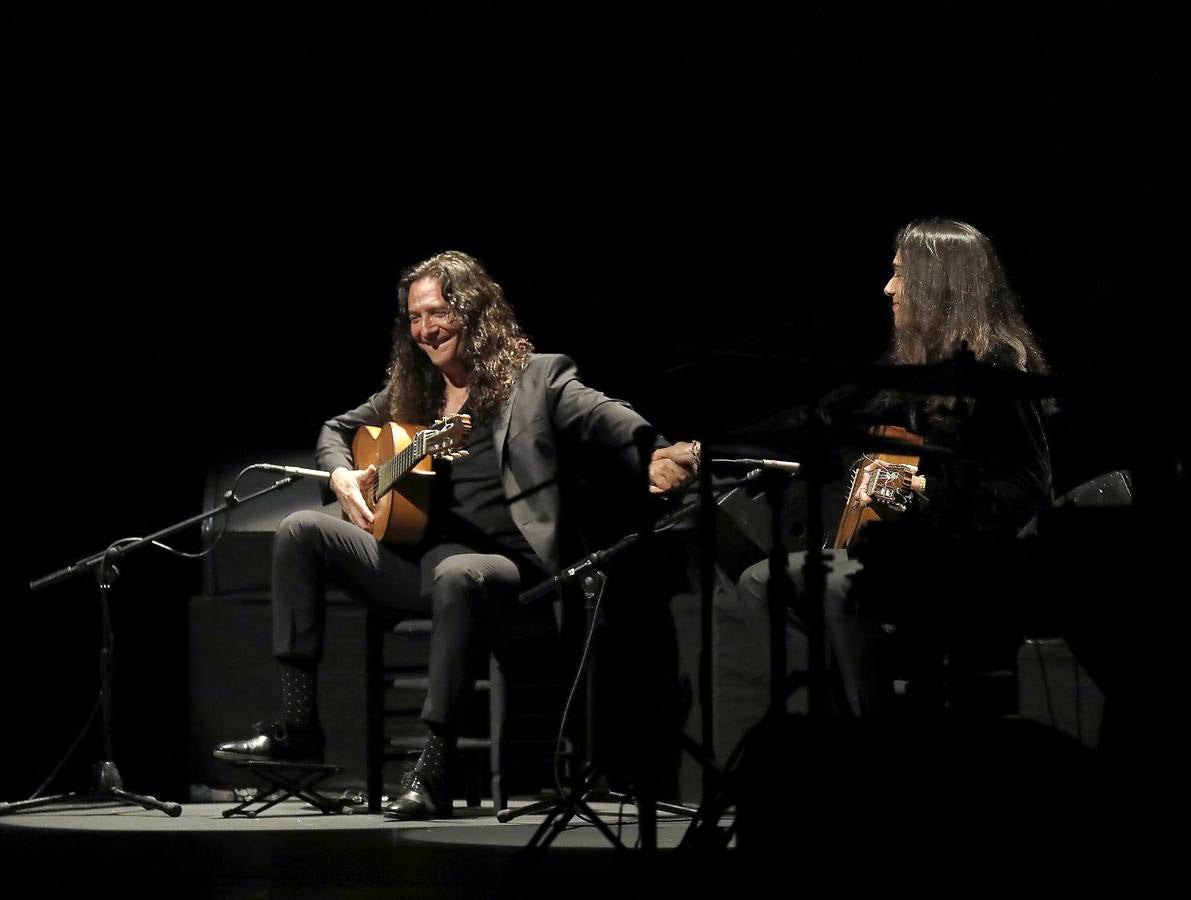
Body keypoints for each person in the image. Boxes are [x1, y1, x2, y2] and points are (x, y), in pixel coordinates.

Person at [216, 250, 699, 820]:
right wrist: (342, 473)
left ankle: (435, 768)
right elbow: (335, 430)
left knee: (457, 572)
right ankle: (299, 725)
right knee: (299, 528)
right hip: (416, 568)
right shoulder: (412, 393)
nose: (425, 330)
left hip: (512, 578)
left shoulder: (538, 378)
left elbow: (605, 415)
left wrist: (660, 449)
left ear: (473, 311)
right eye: (415, 318)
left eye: (438, 312)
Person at [735, 218, 1052, 717]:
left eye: (900, 275)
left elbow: (1029, 488)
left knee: (839, 580)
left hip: (967, 572)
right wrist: (702, 448)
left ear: (935, 282)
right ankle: (818, 722)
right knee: (764, 581)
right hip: (908, 560)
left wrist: (924, 492)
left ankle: (874, 737)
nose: (888, 288)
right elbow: (818, 417)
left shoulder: (996, 369)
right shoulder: (908, 368)